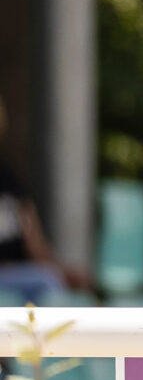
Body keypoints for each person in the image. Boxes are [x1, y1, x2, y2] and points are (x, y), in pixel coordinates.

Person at [0, 101, 78, 304]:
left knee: (50, 280)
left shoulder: (9, 177)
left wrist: (63, 271)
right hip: (13, 275)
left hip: (17, 274)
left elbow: (34, 241)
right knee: (46, 282)